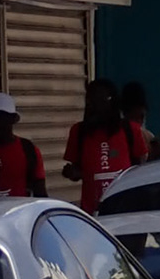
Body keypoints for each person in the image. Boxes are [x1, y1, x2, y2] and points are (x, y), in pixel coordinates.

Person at [64, 78, 150, 214]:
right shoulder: (79, 132)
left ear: (112, 102)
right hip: (93, 213)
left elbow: (141, 167)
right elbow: (76, 171)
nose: (95, 106)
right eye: (91, 100)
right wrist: (72, 172)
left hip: (127, 210)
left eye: (102, 99)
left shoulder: (131, 130)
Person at [121, 82, 156, 150]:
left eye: (141, 117)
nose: (139, 121)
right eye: (133, 118)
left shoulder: (148, 137)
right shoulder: (116, 136)